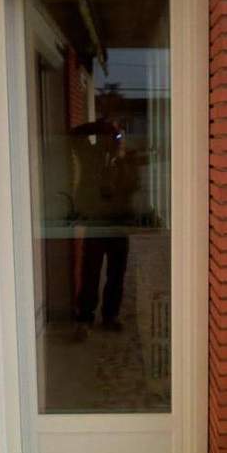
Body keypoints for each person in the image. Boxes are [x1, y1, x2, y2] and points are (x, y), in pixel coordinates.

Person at [70, 117, 139, 340]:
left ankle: (110, 316)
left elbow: (133, 186)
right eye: (109, 136)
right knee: (90, 272)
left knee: (117, 273)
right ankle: (85, 318)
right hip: (96, 222)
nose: (113, 139)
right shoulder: (90, 155)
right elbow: (75, 135)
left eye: (116, 136)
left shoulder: (126, 159)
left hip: (118, 223)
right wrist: (101, 126)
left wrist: (122, 159)